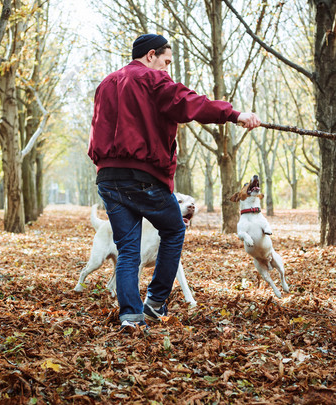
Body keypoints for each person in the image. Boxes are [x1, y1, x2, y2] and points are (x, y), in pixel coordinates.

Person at [88, 33, 261, 332]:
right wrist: (234, 114)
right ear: (151, 54)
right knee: (174, 228)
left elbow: (97, 128)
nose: (167, 68)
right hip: (142, 175)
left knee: (128, 249)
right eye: (166, 61)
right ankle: (155, 303)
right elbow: (188, 103)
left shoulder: (106, 84)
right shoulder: (152, 79)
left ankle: (130, 316)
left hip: (108, 177)